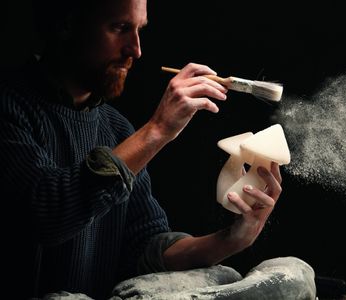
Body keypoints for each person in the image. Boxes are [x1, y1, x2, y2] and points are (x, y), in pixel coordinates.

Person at [0, 0, 315, 299]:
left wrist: (233, 237)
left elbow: (145, 250)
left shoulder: (116, 127)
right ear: (66, 23)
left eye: (139, 29)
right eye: (120, 27)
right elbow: (45, 212)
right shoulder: (9, 108)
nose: (135, 50)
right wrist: (157, 131)